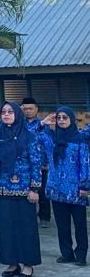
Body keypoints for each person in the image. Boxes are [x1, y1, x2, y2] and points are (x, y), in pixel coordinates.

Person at [0, 102, 42, 277]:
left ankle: (27, 264)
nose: (6, 114)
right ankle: (12, 262)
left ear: (18, 115)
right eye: (3, 112)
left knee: (26, 228)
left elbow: (36, 163)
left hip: (23, 189)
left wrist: (35, 188)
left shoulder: (29, 135)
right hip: (1, 187)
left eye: (10, 112)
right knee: (5, 228)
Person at [40, 107, 90, 267]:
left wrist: (85, 185)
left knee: (80, 225)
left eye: (64, 117)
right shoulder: (50, 138)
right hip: (56, 190)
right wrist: (43, 123)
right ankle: (67, 254)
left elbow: (85, 163)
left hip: (76, 190)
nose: (61, 120)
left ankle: (81, 255)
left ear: (71, 119)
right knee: (62, 226)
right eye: (58, 118)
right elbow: (32, 136)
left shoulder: (79, 139)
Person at [22, 96, 51, 227]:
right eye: (25, 108)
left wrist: (47, 161)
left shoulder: (44, 124)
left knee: (43, 192)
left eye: (30, 108)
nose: (28, 111)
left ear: (36, 109)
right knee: (27, 190)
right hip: (25, 164)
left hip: (42, 164)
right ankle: (28, 216)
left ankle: (44, 217)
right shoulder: (20, 124)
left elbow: (48, 143)